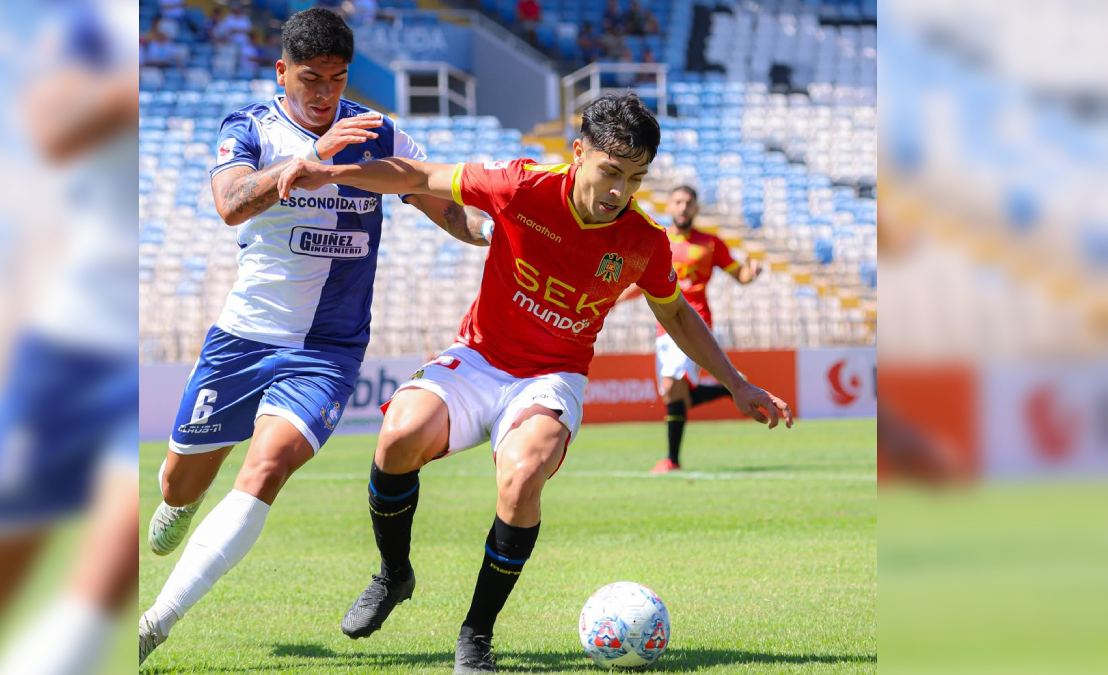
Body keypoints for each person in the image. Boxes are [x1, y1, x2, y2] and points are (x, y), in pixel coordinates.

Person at [275, 92, 793, 674]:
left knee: (521, 478)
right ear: (578, 154)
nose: (621, 191)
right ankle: (394, 575)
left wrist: (737, 383)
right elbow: (418, 173)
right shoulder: (520, 187)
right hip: (478, 355)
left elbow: (674, 312)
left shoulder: (644, 241)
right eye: (611, 172)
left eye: (637, 178)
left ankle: (476, 636)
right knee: (398, 436)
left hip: (553, 375)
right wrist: (327, 171)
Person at [137, 7, 489, 666]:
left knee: (266, 466)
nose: (325, 92)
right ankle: (177, 504)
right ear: (282, 72)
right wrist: (310, 158)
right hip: (243, 338)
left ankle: (156, 621)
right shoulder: (249, 126)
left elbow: (445, 206)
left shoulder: (377, 133)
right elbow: (230, 204)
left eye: (336, 77)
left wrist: (493, 231)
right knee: (181, 484)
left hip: (328, 349)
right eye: (310, 78)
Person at [0, 2, 140, 675]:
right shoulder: (98, 23)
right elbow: (48, 130)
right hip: (78, 334)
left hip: (141, 341)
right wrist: (136, 88)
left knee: (113, 564)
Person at [619, 186, 763, 474]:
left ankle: (672, 460)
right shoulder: (658, 240)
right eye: (678, 202)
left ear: (696, 208)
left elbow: (740, 275)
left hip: (695, 320)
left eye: (689, 203)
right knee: (676, 396)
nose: (683, 207)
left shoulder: (710, 244)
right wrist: (615, 299)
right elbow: (644, 282)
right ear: (670, 206)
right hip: (664, 323)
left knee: (673, 387)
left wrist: (752, 271)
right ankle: (729, 387)